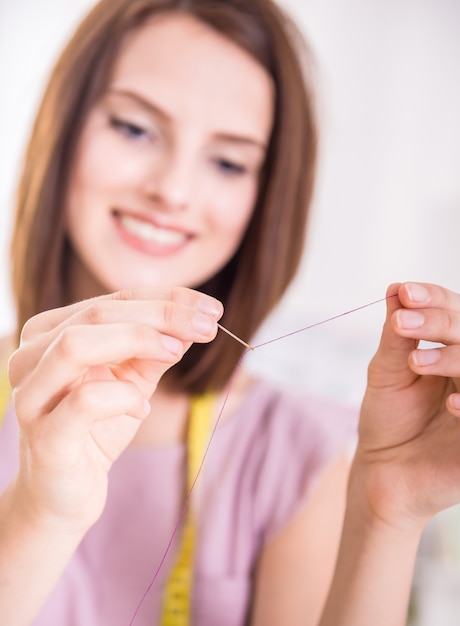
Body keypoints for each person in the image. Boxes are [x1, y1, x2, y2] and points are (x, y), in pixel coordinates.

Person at [0, 1, 459, 625]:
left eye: (228, 162)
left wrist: (388, 513)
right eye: (135, 128)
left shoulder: (295, 456)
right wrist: (39, 517)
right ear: (61, 127)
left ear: (265, 200)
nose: (174, 190)